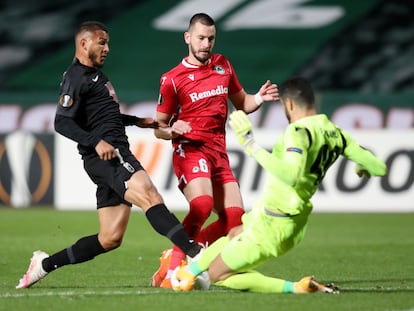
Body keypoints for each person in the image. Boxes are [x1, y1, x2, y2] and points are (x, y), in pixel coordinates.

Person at [16, 21, 202, 289]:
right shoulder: (76, 77)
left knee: (110, 238)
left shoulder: (94, 76)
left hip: (110, 155)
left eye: (107, 43)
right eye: (101, 42)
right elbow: (62, 122)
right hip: (109, 156)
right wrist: (96, 142)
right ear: (84, 44)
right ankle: (196, 254)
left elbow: (102, 116)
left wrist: (137, 121)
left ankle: (43, 265)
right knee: (149, 195)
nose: (107, 48)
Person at [171, 76, 387, 293]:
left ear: (289, 104)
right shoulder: (336, 132)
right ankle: (189, 271)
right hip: (286, 218)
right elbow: (379, 167)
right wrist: (363, 167)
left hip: (275, 223)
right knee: (235, 233)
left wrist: (250, 144)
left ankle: (297, 288)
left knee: (219, 275)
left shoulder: (298, 132)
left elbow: (291, 175)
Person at [151, 13, 279, 288]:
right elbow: (158, 127)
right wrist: (173, 129)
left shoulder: (223, 66)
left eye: (211, 38)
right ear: (187, 38)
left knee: (235, 220)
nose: (206, 43)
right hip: (190, 150)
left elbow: (242, 102)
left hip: (218, 153)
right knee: (202, 205)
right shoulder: (172, 79)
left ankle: (185, 257)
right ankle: (174, 271)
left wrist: (259, 98)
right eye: (200, 38)